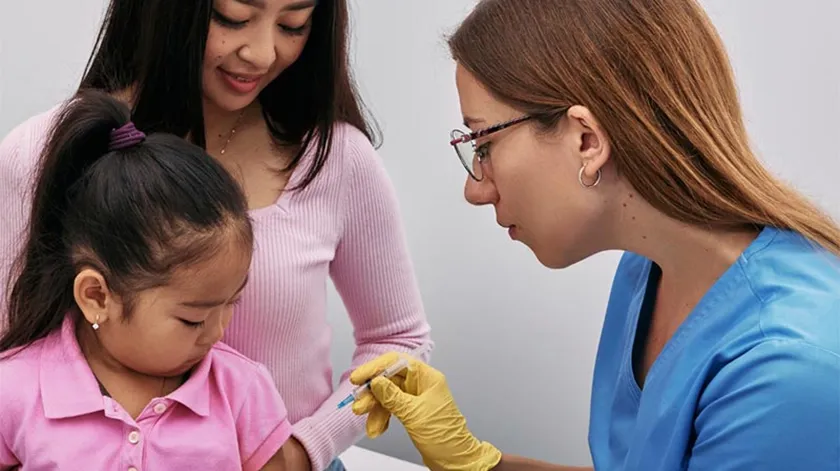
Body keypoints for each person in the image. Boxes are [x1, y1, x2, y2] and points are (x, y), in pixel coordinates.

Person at [349, 0, 840, 470]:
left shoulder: (784, 370)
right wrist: (478, 463)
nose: (475, 190)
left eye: (483, 144)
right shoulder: (650, 269)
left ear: (587, 140)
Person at [0, 1, 431, 470]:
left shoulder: (337, 159)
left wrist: (305, 449)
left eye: (294, 25)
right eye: (233, 17)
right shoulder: (43, 154)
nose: (263, 54)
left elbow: (400, 342)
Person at [0, 91, 292, 470]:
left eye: (230, 303)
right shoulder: (15, 389)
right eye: (193, 319)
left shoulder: (241, 390)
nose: (218, 333)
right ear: (97, 297)